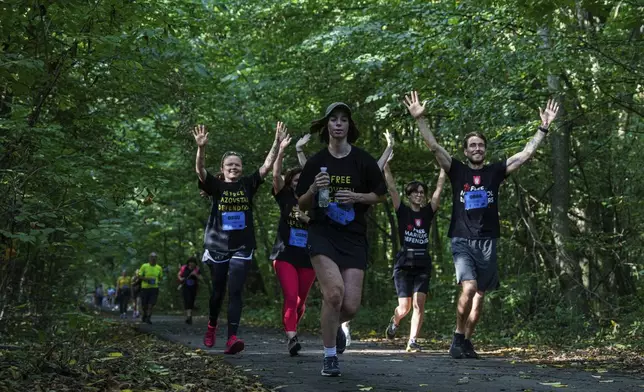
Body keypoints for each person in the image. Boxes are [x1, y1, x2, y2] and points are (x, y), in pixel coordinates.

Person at [404, 91, 560, 359]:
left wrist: (543, 128)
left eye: (481, 145)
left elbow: (525, 154)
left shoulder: (494, 172)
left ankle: (465, 340)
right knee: (469, 287)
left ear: (485, 151)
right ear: (465, 152)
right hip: (462, 239)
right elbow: (434, 147)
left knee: (479, 300)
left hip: (488, 241)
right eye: (472, 145)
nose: (477, 149)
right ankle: (456, 335)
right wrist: (420, 119)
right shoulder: (457, 171)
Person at [296, 102, 387, 377]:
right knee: (334, 293)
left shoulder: (363, 160)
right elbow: (300, 204)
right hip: (322, 234)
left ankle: (332, 325)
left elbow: (380, 195)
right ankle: (329, 356)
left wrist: (357, 197)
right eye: (333, 119)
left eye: (343, 119)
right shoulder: (315, 163)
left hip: (354, 236)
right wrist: (313, 188)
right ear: (327, 126)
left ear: (349, 126)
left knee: (349, 306)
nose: (338, 124)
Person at [193, 121, 285, 354]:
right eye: (229, 165)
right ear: (223, 168)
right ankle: (212, 326)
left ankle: (232, 337)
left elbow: (266, 165)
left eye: (237, 164)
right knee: (218, 291)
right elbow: (200, 170)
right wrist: (201, 148)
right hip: (217, 246)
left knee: (235, 291)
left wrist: (276, 142)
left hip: (242, 246)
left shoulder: (248, 184)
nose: (233, 167)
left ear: (241, 169)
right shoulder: (215, 185)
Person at [380, 131, 446, 352]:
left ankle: (413, 342)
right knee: (405, 307)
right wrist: (386, 166)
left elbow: (438, 190)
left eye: (421, 192)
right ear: (409, 195)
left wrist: (443, 168)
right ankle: (395, 321)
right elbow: (391, 189)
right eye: (415, 193)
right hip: (403, 265)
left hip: (422, 264)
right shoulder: (403, 211)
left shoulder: (428, 212)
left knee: (419, 304)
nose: (419, 195)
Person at [270, 133, 316, 356]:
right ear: (290, 183)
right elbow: (276, 174)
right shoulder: (285, 196)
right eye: (295, 180)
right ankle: (292, 338)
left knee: (300, 302)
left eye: (302, 180)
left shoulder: (315, 200)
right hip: (285, 255)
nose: (298, 183)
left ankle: (291, 327)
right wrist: (281, 149)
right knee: (290, 296)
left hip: (308, 257)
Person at [138, 252, 164, 324]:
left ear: (156, 258)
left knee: (151, 304)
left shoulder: (159, 268)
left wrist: (159, 280)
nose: (153, 258)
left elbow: (161, 277)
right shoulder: (144, 266)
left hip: (154, 288)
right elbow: (139, 276)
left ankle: (148, 318)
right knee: (144, 305)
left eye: (155, 257)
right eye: (152, 257)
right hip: (145, 288)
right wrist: (147, 279)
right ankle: (144, 315)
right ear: (149, 258)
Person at [178, 256, 201, 325]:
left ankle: (189, 316)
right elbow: (179, 275)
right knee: (187, 300)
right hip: (185, 287)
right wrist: (181, 279)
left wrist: (195, 275)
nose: (191, 264)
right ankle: (189, 316)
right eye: (190, 262)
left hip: (194, 288)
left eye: (193, 262)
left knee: (191, 301)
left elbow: (201, 278)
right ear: (188, 262)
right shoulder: (184, 268)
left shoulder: (197, 269)